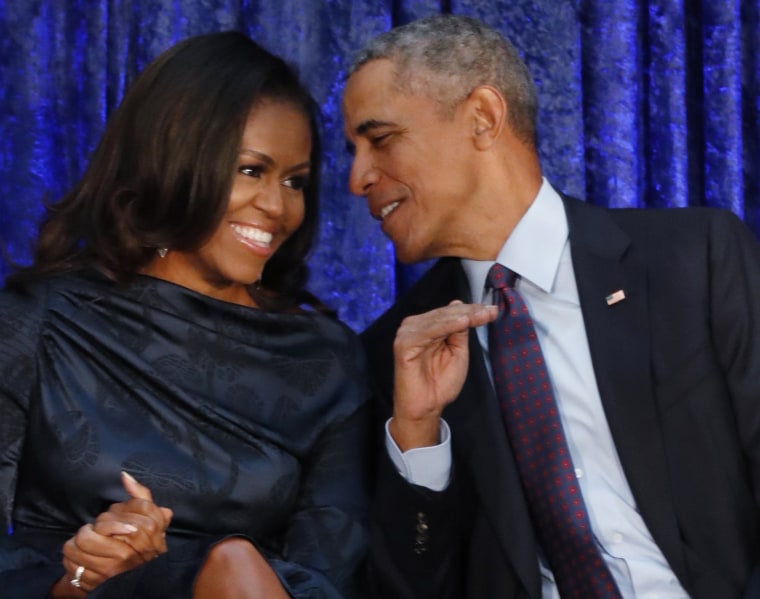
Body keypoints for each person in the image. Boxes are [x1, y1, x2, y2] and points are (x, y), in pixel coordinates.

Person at [342, 13, 760, 599]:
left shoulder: (698, 259)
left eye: (380, 139)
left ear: (483, 118)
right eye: (353, 151)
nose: (358, 177)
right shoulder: (397, 355)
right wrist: (418, 435)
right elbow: (411, 588)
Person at [0, 31, 370, 599]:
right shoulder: (42, 320)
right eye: (251, 170)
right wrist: (80, 576)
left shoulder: (327, 361)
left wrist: (222, 569)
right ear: (174, 159)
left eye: (295, 181)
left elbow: (329, 578)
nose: (277, 206)